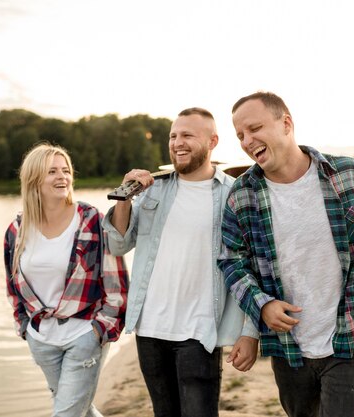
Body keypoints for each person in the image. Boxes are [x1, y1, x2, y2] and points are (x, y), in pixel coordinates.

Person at [218, 91, 354, 417]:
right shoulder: (242, 194)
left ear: (286, 123)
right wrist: (261, 304)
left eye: (254, 128)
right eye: (240, 135)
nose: (246, 140)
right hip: (287, 347)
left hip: (350, 337)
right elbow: (230, 260)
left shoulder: (348, 175)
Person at [102, 107, 259, 417]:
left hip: (199, 331)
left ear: (212, 141)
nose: (177, 142)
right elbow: (118, 244)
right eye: (173, 136)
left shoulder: (233, 194)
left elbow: (252, 265)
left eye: (187, 135)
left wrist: (250, 331)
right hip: (150, 329)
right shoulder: (153, 190)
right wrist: (124, 199)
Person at [4, 143, 128, 417]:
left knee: (67, 412)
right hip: (42, 339)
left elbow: (115, 280)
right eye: (52, 171)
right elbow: (13, 288)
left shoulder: (90, 219)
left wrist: (100, 329)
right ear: (34, 179)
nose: (62, 177)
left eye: (66, 170)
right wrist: (25, 326)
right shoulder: (17, 230)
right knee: (79, 408)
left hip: (83, 335)